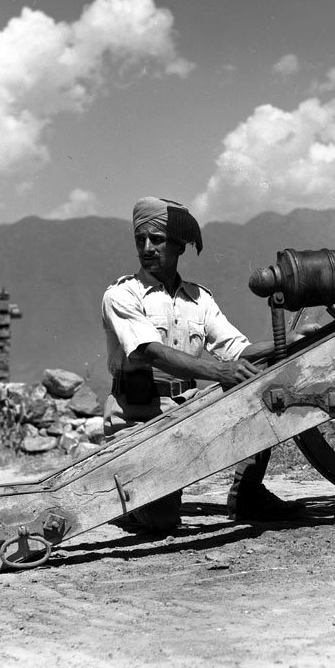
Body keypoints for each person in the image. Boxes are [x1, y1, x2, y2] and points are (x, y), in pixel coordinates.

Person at [102, 196, 307, 531]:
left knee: (262, 388)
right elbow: (151, 352)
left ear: (179, 246)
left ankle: (248, 494)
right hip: (138, 417)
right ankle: (126, 503)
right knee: (162, 521)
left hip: (188, 412)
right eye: (141, 240)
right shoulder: (122, 296)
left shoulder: (200, 299)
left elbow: (237, 350)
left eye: (157, 239)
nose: (147, 248)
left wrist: (293, 342)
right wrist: (220, 371)